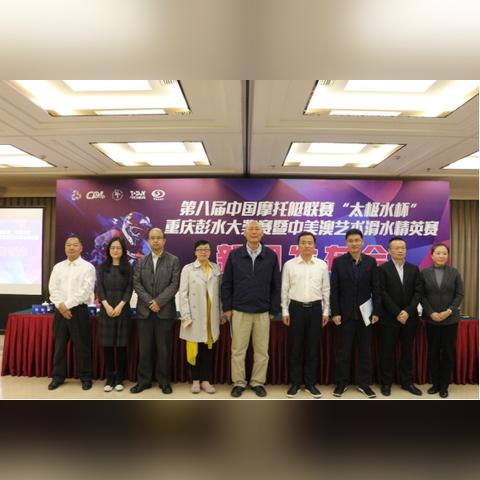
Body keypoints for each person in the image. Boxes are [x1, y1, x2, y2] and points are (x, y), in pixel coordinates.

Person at [221, 220, 281, 398]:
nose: (254, 232)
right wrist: (227, 307)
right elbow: (227, 283)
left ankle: (257, 382)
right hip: (239, 310)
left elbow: (276, 285)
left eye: (257, 229)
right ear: (245, 233)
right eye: (251, 229)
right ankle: (239, 382)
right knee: (238, 350)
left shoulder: (271, 255)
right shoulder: (234, 255)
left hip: (263, 311)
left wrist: (273, 310)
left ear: (262, 234)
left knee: (262, 351)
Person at [330, 229, 381, 398]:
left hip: (366, 315)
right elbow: (334, 289)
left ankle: (364, 384)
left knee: (365, 351)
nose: (354, 243)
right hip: (345, 315)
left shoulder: (371, 262)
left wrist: (376, 311)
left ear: (362, 242)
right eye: (350, 240)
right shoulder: (338, 262)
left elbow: (376, 288)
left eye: (357, 240)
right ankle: (341, 383)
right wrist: (335, 312)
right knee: (343, 351)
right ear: (346, 243)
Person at [131, 227, 181, 394]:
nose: (155, 240)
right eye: (152, 238)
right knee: (144, 349)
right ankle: (143, 381)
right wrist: (149, 302)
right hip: (144, 312)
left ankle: (164, 382)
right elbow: (136, 283)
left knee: (164, 350)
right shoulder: (141, 261)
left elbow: (174, 284)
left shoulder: (173, 260)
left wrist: (158, 302)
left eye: (159, 238)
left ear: (164, 240)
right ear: (148, 241)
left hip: (164, 312)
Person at [281, 232, 330, 399]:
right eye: (303, 242)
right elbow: (285, 289)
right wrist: (285, 311)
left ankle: (310, 383)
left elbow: (326, 289)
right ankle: (295, 383)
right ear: (298, 245)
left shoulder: (322, 265)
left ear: (314, 245)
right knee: (295, 347)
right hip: (295, 309)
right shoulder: (289, 265)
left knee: (312, 347)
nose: (307, 245)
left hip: (316, 309)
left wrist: (326, 311)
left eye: (310, 242)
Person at [48, 235, 96, 391]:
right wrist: (61, 306)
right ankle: (57, 377)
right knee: (59, 346)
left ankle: (86, 377)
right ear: (65, 248)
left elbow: (85, 291)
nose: (71, 247)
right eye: (68, 245)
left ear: (81, 248)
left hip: (79, 311)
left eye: (75, 245)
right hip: (60, 311)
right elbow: (53, 288)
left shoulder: (88, 267)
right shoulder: (58, 267)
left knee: (82, 346)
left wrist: (66, 305)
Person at [379, 237, 423, 397]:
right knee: (387, 352)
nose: (400, 250)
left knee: (407, 351)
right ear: (389, 250)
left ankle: (407, 382)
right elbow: (382, 293)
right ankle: (386, 383)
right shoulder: (382, 269)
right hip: (389, 318)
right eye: (396, 248)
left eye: (403, 247)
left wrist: (408, 311)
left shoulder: (414, 269)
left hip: (410, 318)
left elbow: (418, 292)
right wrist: (397, 312)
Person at [179, 240, 224, 394]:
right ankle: (195, 380)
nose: (203, 252)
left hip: (211, 315)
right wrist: (186, 315)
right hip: (194, 315)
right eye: (200, 249)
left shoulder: (215, 268)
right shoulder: (188, 269)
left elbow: (220, 294)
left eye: (206, 249)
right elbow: (183, 294)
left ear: (210, 251)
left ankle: (206, 381)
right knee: (194, 350)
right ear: (195, 252)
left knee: (207, 350)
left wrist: (221, 313)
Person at [421, 243, 464, 398]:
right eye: (438, 253)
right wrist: (431, 312)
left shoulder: (454, 272)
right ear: (432, 255)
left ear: (447, 256)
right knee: (433, 352)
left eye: (444, 253)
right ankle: (435, 384)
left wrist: (449, 311)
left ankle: (444, 385)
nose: (441, 256)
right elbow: (421, 295)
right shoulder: (424, 273)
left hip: (450, 320)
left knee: (448, 353)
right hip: (431, 320)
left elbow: (459, 295)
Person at [97, 236, 133, 392]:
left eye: (118, 248)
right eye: (112, 248)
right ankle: (110, 377)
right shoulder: (102, 267)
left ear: (123, 250)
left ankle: (119, 378)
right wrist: (106, 305)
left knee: (121, 346)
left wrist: (120, 305)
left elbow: (129, 289)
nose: (115, 250)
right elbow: (99, 288)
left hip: (122, 310)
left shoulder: (128, 268)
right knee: (108, 345)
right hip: (106, 310)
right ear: (108, 250)